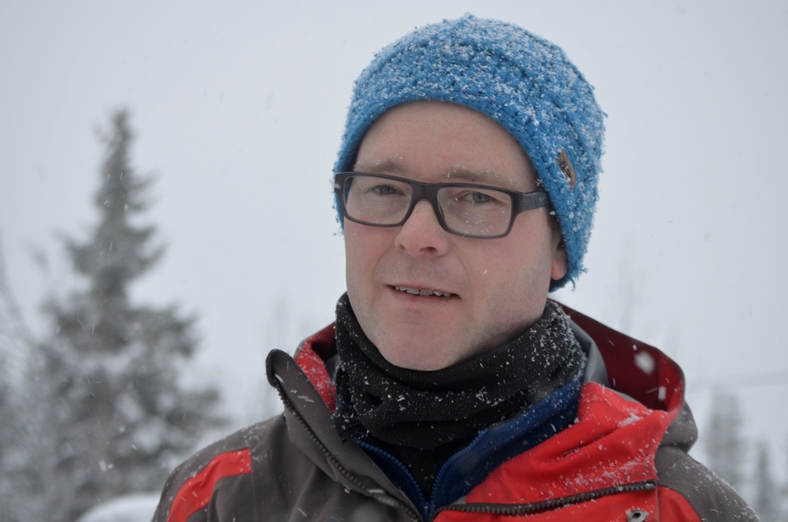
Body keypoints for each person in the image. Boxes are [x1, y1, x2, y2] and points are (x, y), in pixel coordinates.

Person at [153, 15, 757, 522]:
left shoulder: (678, 509)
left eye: (474, 197)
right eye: (384, 189)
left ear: (558, 245)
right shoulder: (221, 499)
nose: (416, 236)